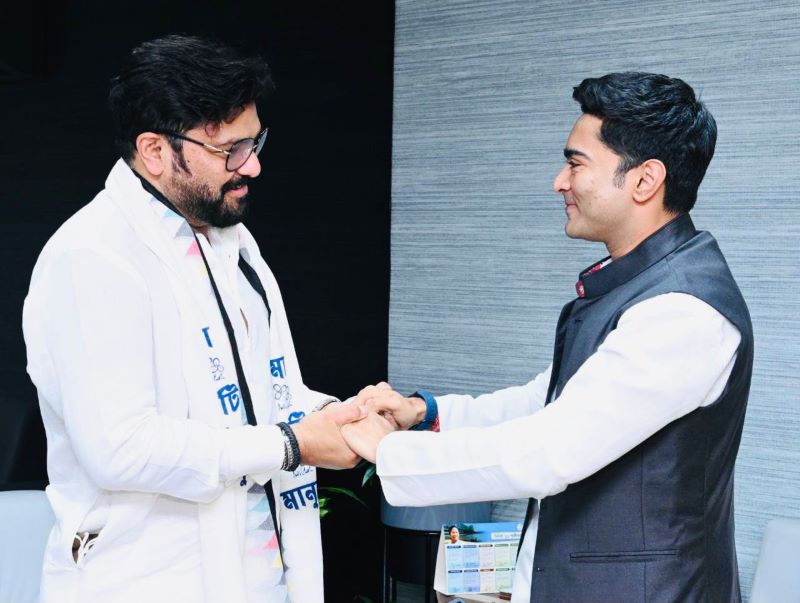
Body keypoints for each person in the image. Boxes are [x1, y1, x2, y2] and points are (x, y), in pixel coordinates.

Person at [343, 72, 753, 602]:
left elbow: (551, 449)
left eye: (576, 164)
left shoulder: (683, 311)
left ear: (645, 180)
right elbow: (550, 400)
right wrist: (427, 413)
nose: (560, 181)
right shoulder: (635, 287)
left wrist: (391, 452)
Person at [23, 35, 366, 603]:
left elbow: (257, 394)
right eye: (229, 149)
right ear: (154, 151)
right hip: (145, 585)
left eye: (254, 142)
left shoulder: (230, 241)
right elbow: (122, 448)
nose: (252, 165)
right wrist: (291, 446)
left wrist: (341, 415)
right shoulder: (92, 256)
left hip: (260, 577)